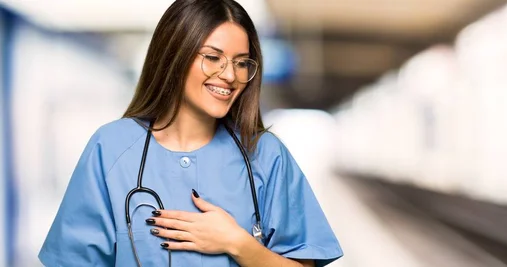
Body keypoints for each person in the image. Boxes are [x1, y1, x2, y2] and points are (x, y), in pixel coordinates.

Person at [37, 0, 343, 266]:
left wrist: (237, 243)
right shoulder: (111, 148)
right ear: (175, 54)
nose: (230, 75)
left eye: (241, 63)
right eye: (212, 57)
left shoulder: (265, 154)